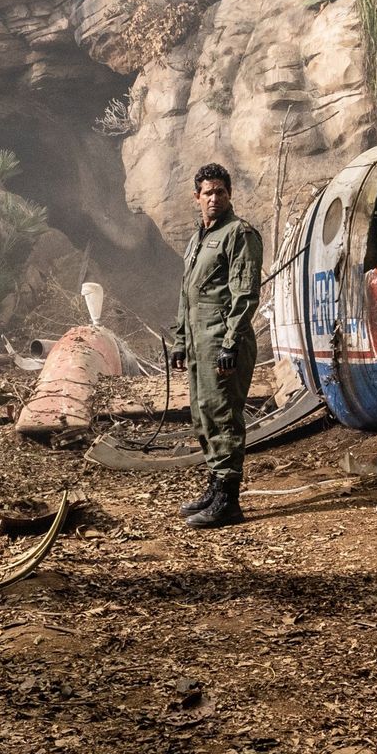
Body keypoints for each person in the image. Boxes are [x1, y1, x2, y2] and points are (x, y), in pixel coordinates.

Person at [169, 162, 263, 529]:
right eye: (207, 192)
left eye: (220, 191)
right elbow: (186, 293)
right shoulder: (199, 239)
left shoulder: (239, 234)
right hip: (198, 341)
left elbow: (245, 294)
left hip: (224, 342)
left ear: (229, 195)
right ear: (196, 198)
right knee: (203, 413)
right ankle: (214, 486)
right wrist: (180, 341)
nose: (214, 198)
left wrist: (231, 343)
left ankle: (229, 500)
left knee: (223, 415)